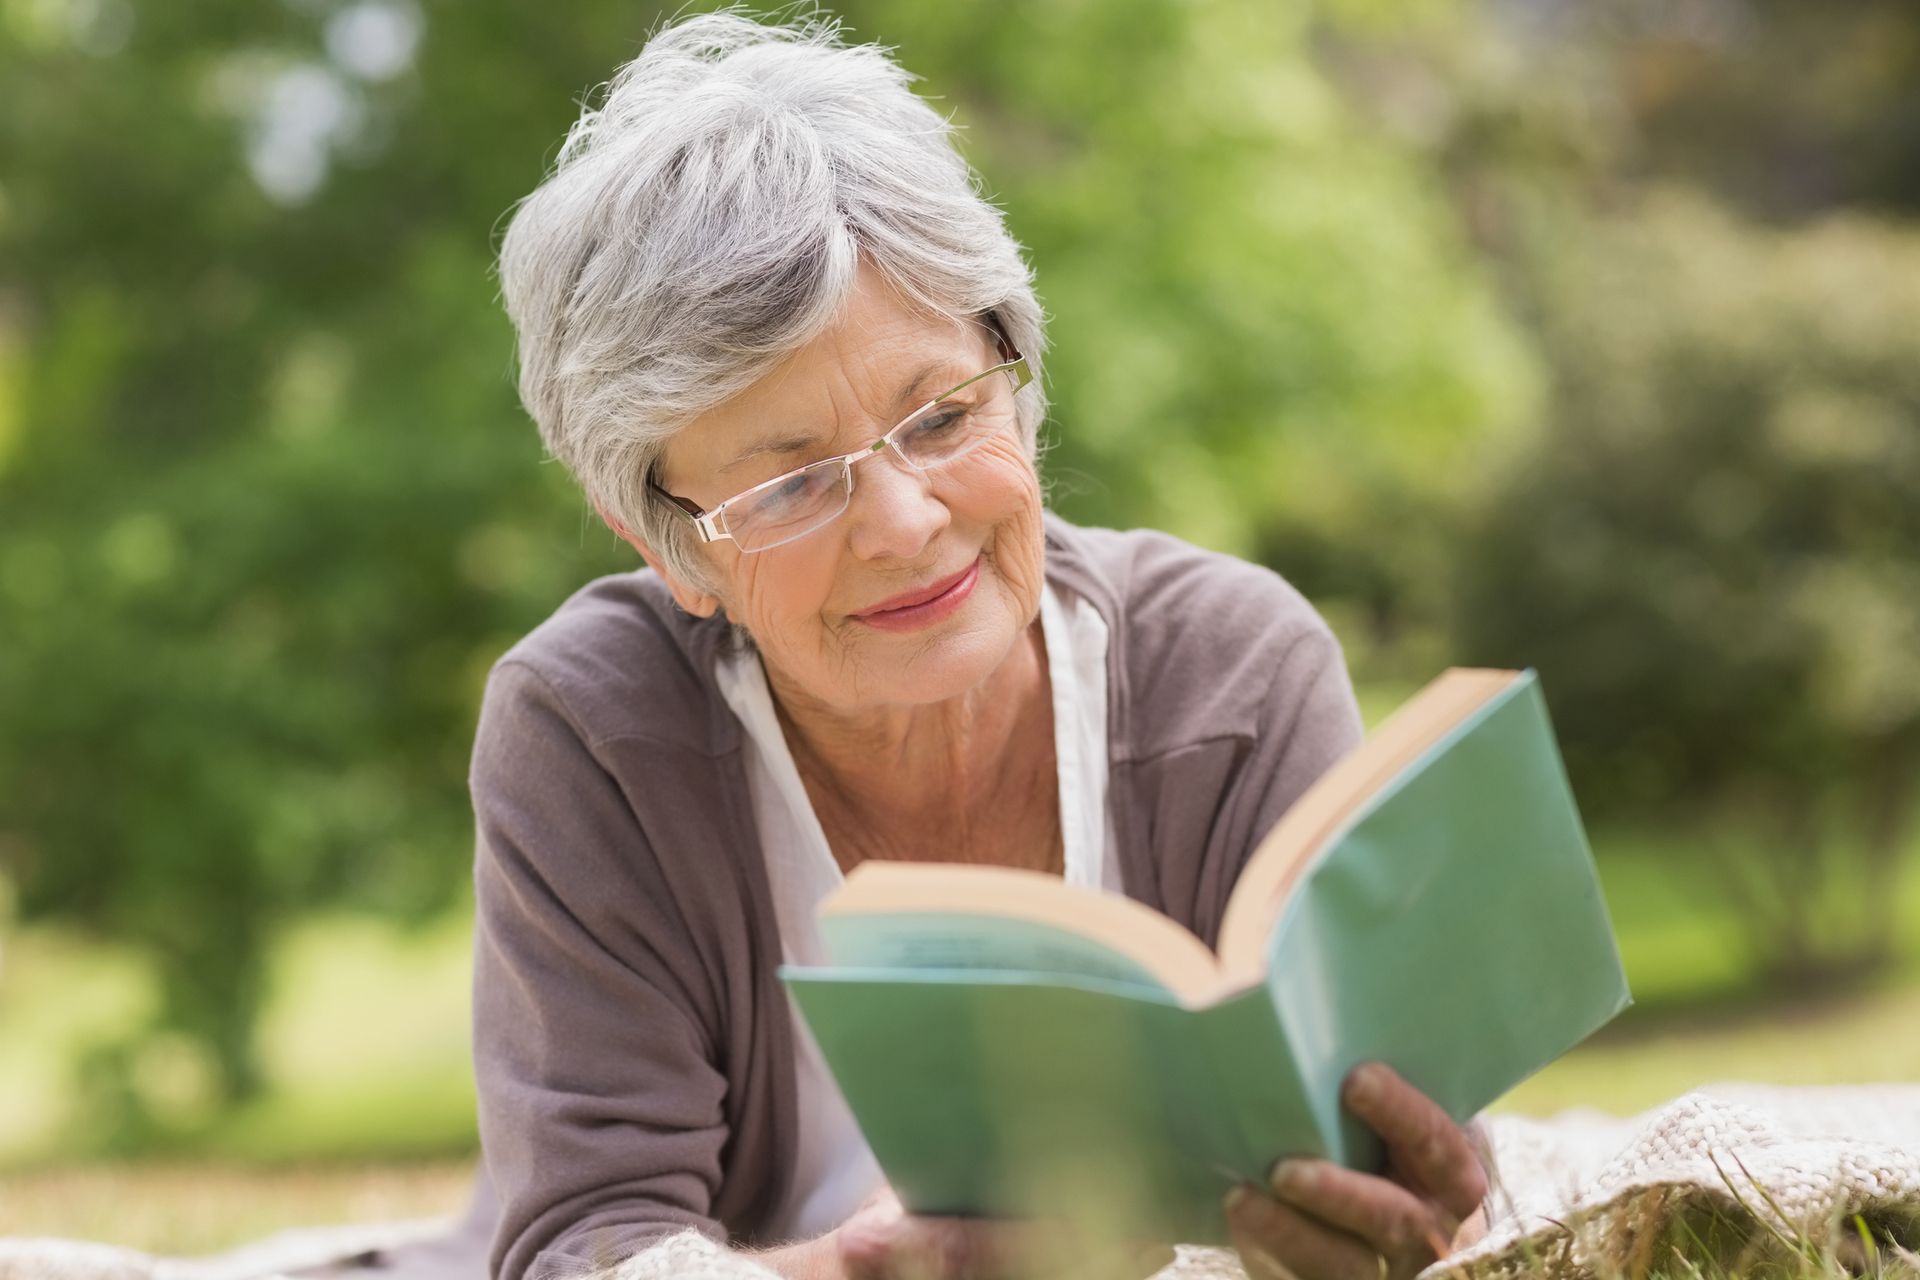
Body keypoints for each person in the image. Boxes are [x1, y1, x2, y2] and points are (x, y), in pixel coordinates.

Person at [462, 11, 1491, 1280]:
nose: (905, 523)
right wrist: (859, 1273)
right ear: (673, 549)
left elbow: (1405, 1150)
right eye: (788, 488)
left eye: (943, 416)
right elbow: (582, 1239)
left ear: (1017, 372)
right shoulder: (590, 731)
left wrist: (1413, 1200)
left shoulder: (1236, 664)